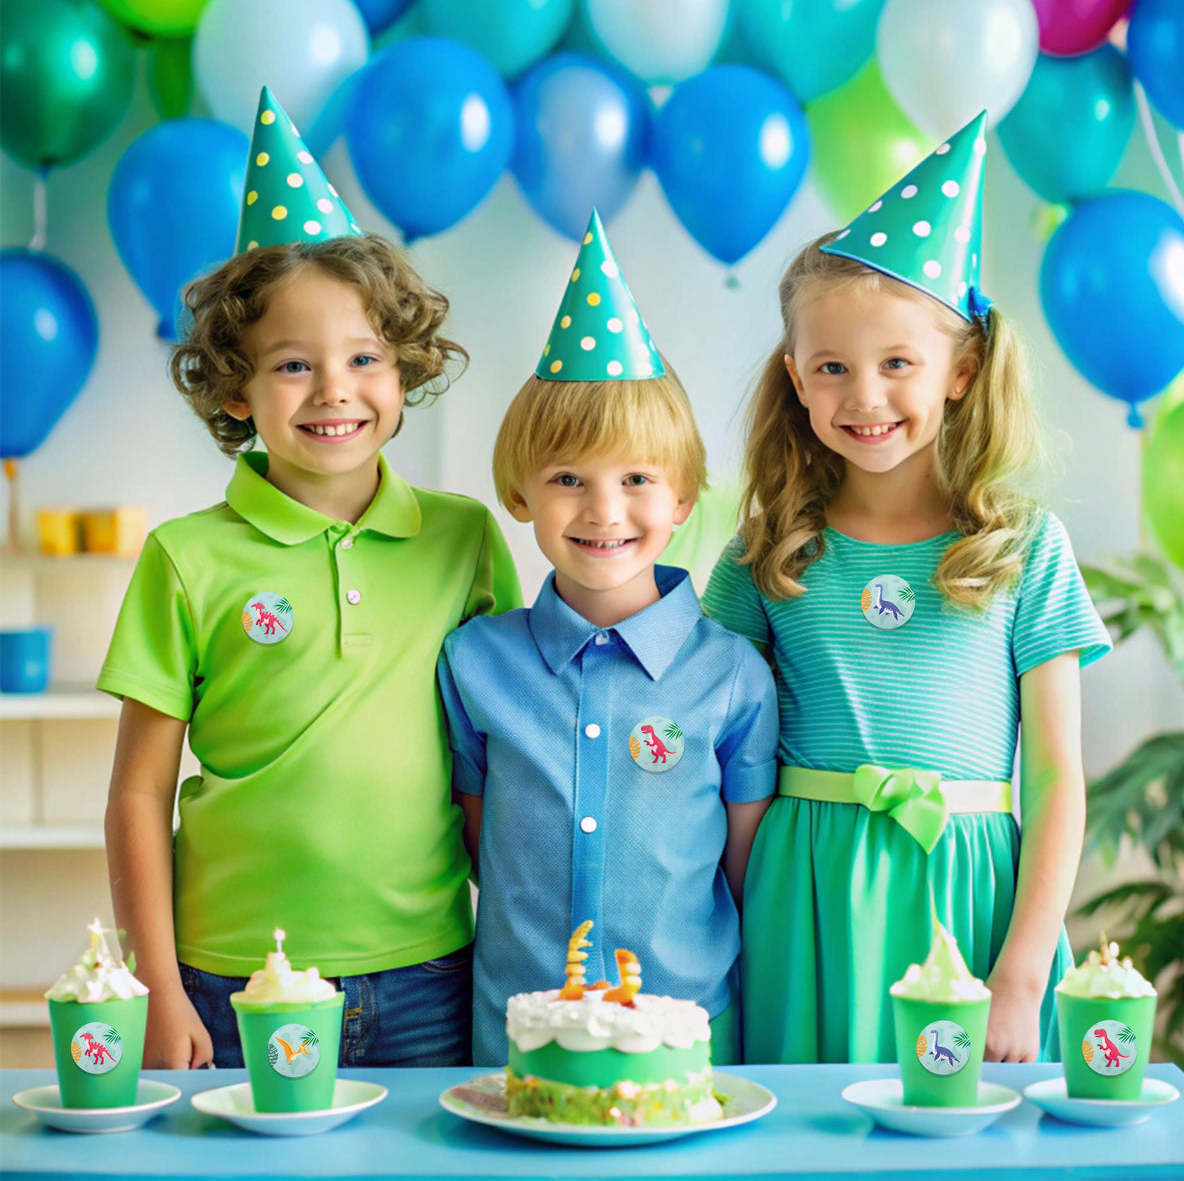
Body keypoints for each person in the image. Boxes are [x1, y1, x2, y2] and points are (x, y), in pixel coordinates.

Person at [100, 88, 521, 1069]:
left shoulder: (462, 537)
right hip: (229, 978)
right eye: (293, 365)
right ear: (236, 388)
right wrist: (154, 986)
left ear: (404, 370)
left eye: (364, 357)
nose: (335, 389)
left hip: (432, 973)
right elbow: (137, 795)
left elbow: (504, 761)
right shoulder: (185, 557)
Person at [701, 113, 1111, 1066]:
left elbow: (1056, 777)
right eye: (832, 368)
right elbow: (719, 749)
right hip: (802, 896)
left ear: (960, 371)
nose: (865, 396)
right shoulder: (766, 552)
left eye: (898, 365)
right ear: (797, 380)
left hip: (971, 896)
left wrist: (1022, 972)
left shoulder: (1023, 548)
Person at [438, 211, 779, 1066]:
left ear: (684, 497)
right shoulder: (474, 662)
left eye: (637, 478)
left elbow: (745, 875)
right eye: (567, 478)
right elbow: (481, 848)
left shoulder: (733, 677)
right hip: (517, 1040)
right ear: (520, 493)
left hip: (688, 1038)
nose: (603, 510)